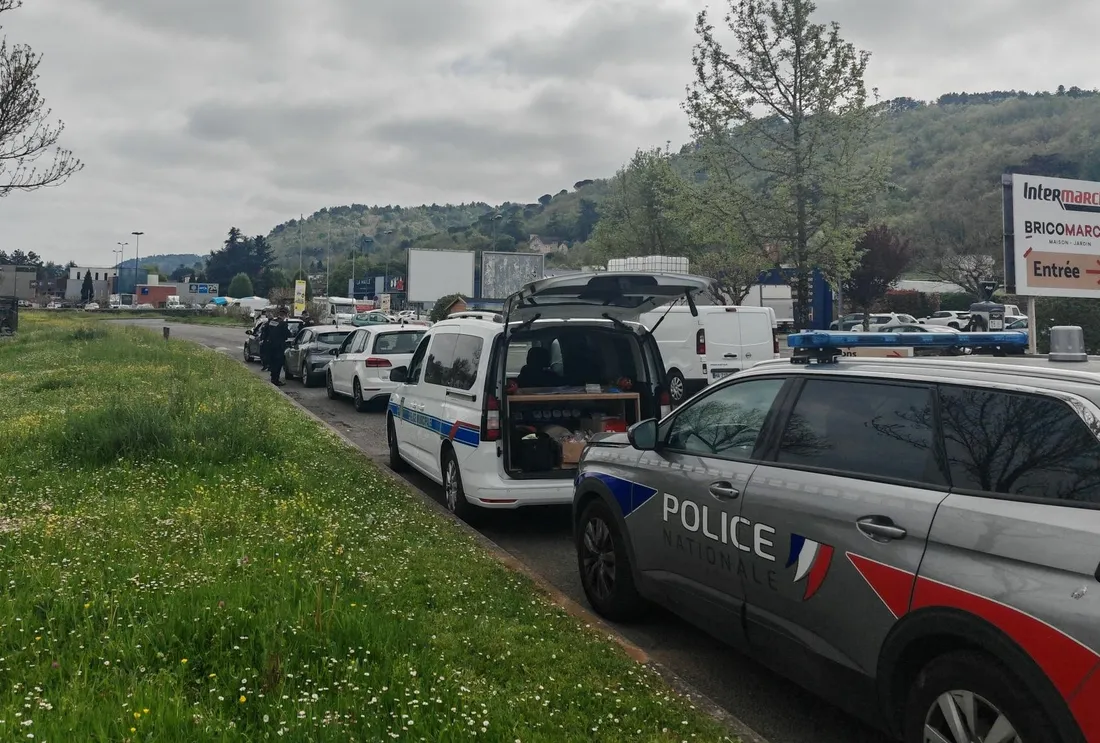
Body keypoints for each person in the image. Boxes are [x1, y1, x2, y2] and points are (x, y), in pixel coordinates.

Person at [265, 308, 291, 386]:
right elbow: (287, 334)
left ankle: (273, 377)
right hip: (279, 347)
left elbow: (266, 331)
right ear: (284, 315)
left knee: (272, 363)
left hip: (270, 346)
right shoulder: (283, 324)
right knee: (278, 363)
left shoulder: (272, 322)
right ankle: (275, 380)